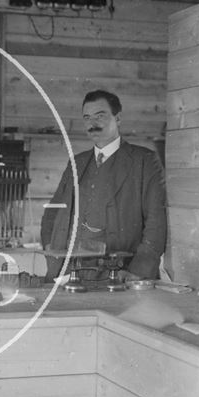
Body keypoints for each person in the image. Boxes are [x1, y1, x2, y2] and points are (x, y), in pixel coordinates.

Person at [40, 90, 167, 281]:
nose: (92, 124)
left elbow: (156, 223)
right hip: (69, 274)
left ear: (118, 118)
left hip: (119, 274)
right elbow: (53, 210)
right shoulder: (77, 162)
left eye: (100, 116)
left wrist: (137, 272)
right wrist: (51, 247)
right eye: (87, 118)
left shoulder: (144, 161)